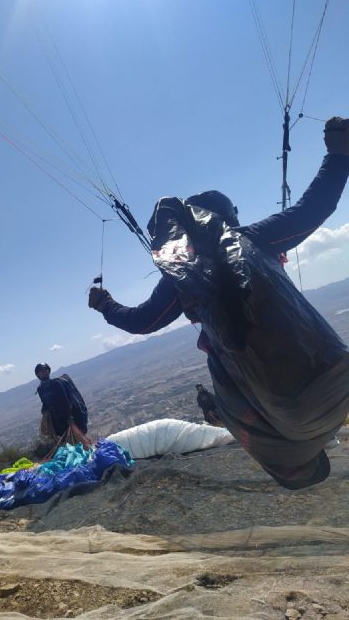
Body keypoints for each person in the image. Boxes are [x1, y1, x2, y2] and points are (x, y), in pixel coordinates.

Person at [89, 117, 349, 490]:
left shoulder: (182, 277)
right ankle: (301, 453)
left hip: (278, 403)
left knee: (222, 375)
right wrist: (338, 154)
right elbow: (313, 210)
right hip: (331, 374)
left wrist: (104, 304)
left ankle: (293, 460)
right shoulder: (253, 240)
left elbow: (143, 322)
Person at [35, 363, 88, 437]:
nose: (44, 372)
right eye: (41, 371)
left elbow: (65, 401)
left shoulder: (56, 383)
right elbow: (45, 403)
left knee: (77, 436)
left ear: (48, 371)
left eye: (45, 370)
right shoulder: (40, 389)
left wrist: (69, 417)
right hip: (56, 419)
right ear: (38, 375)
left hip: (67, 416)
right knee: (64, 437)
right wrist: (44, 411)